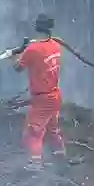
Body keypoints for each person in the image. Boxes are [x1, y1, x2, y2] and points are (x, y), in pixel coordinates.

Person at [11, 14, 67, 162]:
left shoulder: (33, 49)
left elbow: (18, 67)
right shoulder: (55, 45)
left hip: (42, 99)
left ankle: (34, 165)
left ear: (36, 27)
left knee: (33, 133)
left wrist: (11, 56)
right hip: (55, 95)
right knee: (52, 129)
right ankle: (60, 157)